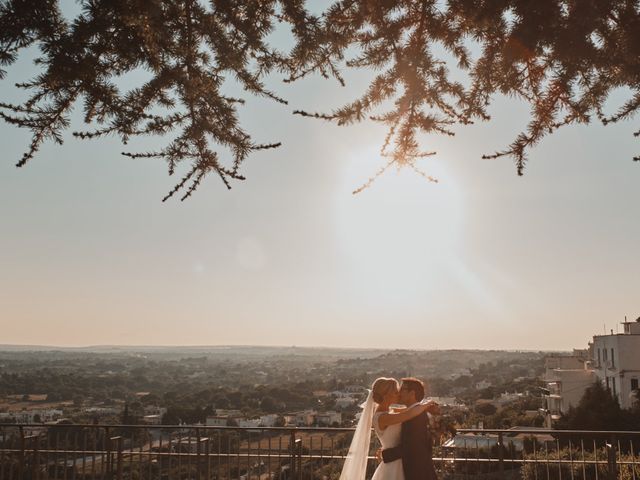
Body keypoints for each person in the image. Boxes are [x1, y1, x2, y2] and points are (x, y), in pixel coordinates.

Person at [339, 377, 436, 480]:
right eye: (395, 392)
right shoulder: (382, 418)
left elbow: (408, 412)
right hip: (394, 463)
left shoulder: (390, 412)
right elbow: (409, 413)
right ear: (386, 395)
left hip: (399, 461)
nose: (398, 394)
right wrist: (426, 405)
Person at [381, 377, 440, 480]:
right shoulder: (413, 413)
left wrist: (386, 454)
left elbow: (412, 445)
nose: (399, 393)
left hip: (417, 471)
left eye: (402, 389)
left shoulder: (416, 416)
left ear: (412, 394)